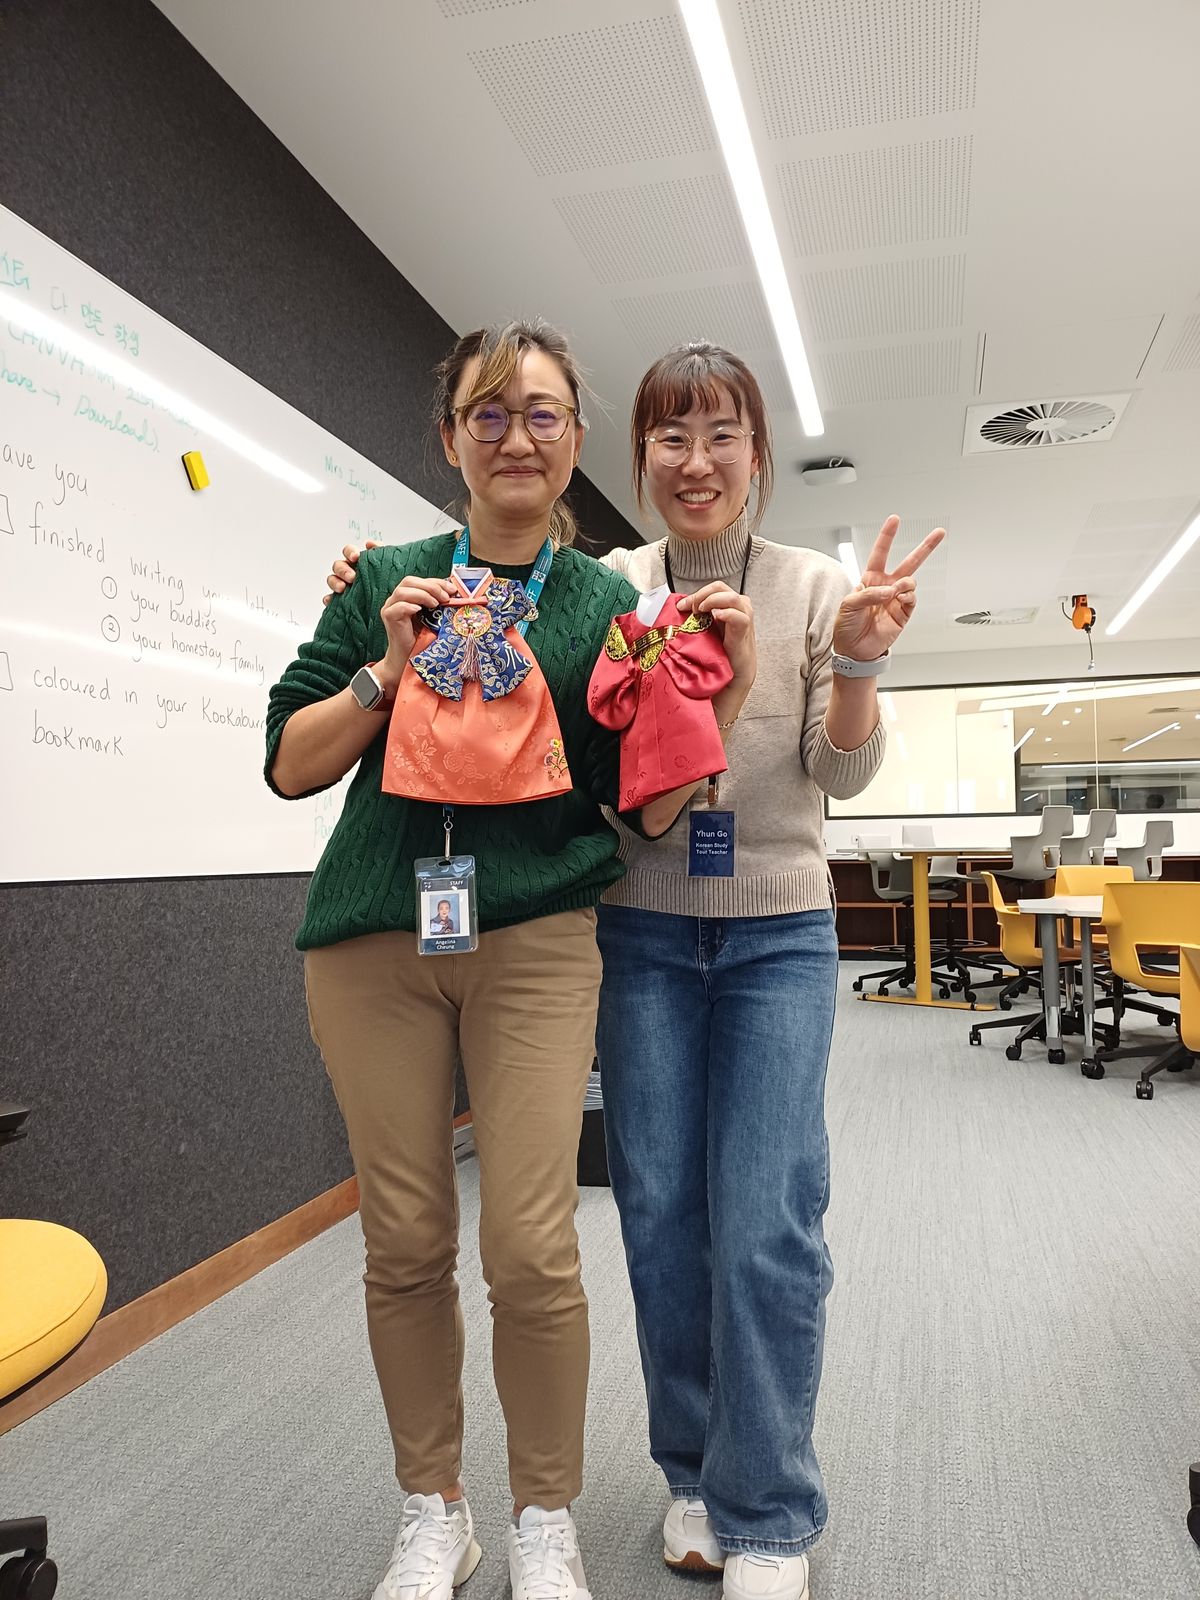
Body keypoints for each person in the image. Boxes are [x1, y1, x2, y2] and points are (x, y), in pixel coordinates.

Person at [327, 341, 940, 1600]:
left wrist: (860, 662)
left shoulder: (815, 585)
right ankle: (695, 1476)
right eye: (670, 436)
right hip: (643, 930)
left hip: (776, 934)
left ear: (758, 456)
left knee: (767, 1220)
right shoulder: (609, 587)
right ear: (639, 457)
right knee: (658, 1219)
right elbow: (497, 600)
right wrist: (362, 574)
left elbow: (840, 772)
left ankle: (771, 1509)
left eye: (722, 436)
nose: (696, 460)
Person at [270, 320, 754, 1600]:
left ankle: (545, 1517)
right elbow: (288, 762)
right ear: (451, 439)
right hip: (375, 940)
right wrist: (384, 667)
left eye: (542, 414)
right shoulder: (383, 576)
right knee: (404, 1239)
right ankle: (436, 1511)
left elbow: (644, 805)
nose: (517, 438)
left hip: (537, 939)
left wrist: (715, 706)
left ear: (575, 440)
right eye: (488, 414)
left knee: (533, 1247)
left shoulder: (606, 607)